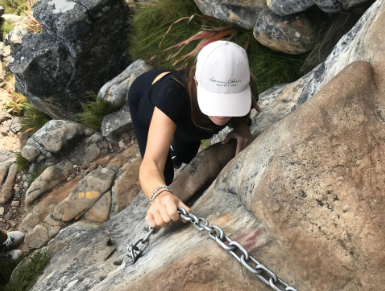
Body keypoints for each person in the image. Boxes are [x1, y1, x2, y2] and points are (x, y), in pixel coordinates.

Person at [127, 41, 259, 229]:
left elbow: (244, 114)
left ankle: (176, 145)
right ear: (196, 82)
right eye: (215, 100)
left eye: (230, 101)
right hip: (146, 97)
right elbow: (152, 163)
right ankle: (169, 139)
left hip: (182, 109)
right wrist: (160, 194)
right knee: (164, 173)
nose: (222, 113)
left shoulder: (246, 85)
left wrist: (243, 126)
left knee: (186, 154)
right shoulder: (173, 99)